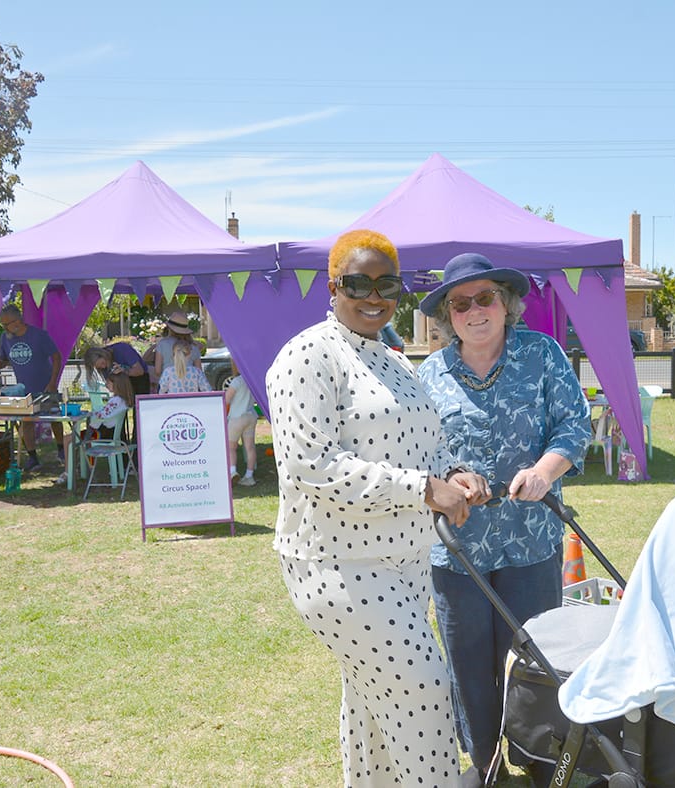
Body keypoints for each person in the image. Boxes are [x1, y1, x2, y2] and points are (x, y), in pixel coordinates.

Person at [265, 229, 480, 787]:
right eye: (358, 282)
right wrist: (423, 489)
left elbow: (424, 441)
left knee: (374, 709)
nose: (373, 295)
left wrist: (450, 471)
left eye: (388, 284)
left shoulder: (393, 359)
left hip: (405, 563)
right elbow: (312, 465)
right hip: (339, 565)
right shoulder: (308, 354)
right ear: (333, 286)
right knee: (425, 691)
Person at [417, 252, 592, 780]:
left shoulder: (543, 354)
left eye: (484, 297)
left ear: (506, 302)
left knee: (537, 661)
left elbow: (574, 424)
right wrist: (451, 479)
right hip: (459, 552)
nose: (474, 311)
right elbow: (419, 453)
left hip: (530, 543)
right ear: (448, 315)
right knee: (468, 665)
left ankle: (542, 761)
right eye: (460, 303)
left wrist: (544, 470)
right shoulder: (429, 374)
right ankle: (485, 765)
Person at [0, 305, 64, 471]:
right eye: (3, 324)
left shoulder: (39, 335)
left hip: (45, 387)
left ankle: (61, 450)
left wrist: (52, 383)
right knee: (26, 422)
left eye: (6, 324)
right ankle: (32, 457)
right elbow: (4, 360)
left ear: (17, 322)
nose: (4, 328)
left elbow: (57, 357)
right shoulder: (5, 338)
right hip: (23, 389)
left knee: (55, 419)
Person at [56, 371, 133, 485]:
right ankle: (74, 470)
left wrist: (90, 415)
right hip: (110, 433)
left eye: (109, 382)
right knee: (72, 438)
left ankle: (68, 472)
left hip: (102, 435)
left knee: (68, 439)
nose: (106, 384)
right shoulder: (123, 401)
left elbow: (101, 416)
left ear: (116, 384)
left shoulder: (115, 401)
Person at [223, 356, 257, 487]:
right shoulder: (252, 380)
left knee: (231, 447)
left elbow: (226, 399)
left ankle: (233, 472)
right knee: (250, 447)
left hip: (237, 418)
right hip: (251, 416)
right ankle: (249, 476)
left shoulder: (236, 381)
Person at [151, 310, 202, 393]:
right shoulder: (194, 347)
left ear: (169, 328)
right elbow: (199, 371)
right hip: (191, 390)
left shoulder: (162, 344)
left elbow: (157, 371)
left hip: (168, 389)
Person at [82, 343, 150, 397]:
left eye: (103, 363)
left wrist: (124, 371)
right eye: (100, 367)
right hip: (122, 383)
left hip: (140, 379)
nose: (104, 367)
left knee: (139, 410)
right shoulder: (103, 366)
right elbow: (110, 386)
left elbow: (140, 371)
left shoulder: (123, 349)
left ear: (103, 355)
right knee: (120, 408)